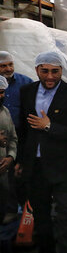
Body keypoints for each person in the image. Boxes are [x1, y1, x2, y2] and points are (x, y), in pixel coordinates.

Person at [16, 51, 67, 253]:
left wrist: (49, 126)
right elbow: (23, 130)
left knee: (66, 218)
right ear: (37, 70)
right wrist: (20, 160)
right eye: (45, 71)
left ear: (61, 71)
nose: (50, 76)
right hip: (35, 167)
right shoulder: (26, 92)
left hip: (65, 169)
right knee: (41, 216)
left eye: (55, 71)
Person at [0, 75, 17, 226]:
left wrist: (10, 157)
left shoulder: (5, 111)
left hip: (3, 171)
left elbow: (13, 138)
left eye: (2, 92)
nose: (1, 96)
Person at [0, 51, 33, 129]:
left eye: (11, 64)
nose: (8, 69)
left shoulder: (26, 82)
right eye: (3, 66)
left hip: (22, 131)